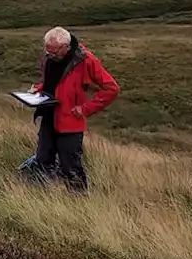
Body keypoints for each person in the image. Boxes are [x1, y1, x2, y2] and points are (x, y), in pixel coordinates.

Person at [20, 26, 119, 192]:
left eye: (54, 52)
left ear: (66, 46)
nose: (49, 55)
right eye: (47, 51)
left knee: (71, 167)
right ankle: (43, 199)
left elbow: (112, 88)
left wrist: (86, 109)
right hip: (49, 118)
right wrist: (37, 90)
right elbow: (51, 83)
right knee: (43, 160)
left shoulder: (85, 60)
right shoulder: (50, 57)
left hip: (70, 123)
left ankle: (79, 203)